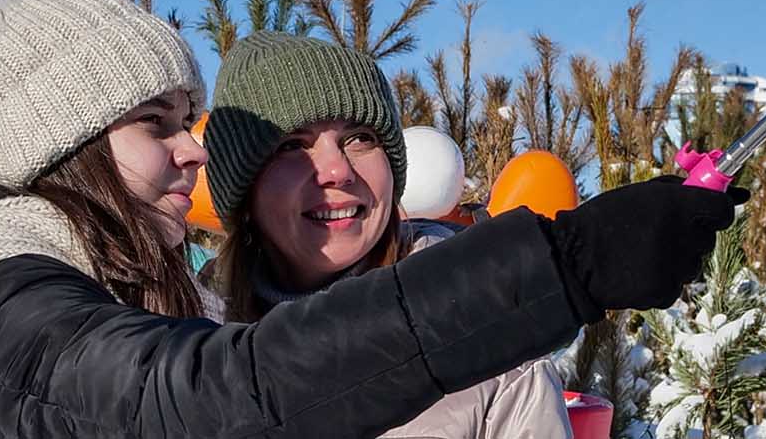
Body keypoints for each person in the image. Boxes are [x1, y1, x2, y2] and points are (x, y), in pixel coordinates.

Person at [0, 0, 747, 438]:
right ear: (62, 146)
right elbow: (226, 394)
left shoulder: (73, 295)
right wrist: (567, 263)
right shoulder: (20, 307)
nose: (335, 176)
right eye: (158, 124)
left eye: (357, 142)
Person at [201, 31, 571, 437]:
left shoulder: (491, 337)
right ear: (243, 190)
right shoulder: (185, 345)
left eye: (360, 138)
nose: (337, 170)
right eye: (292, 145)